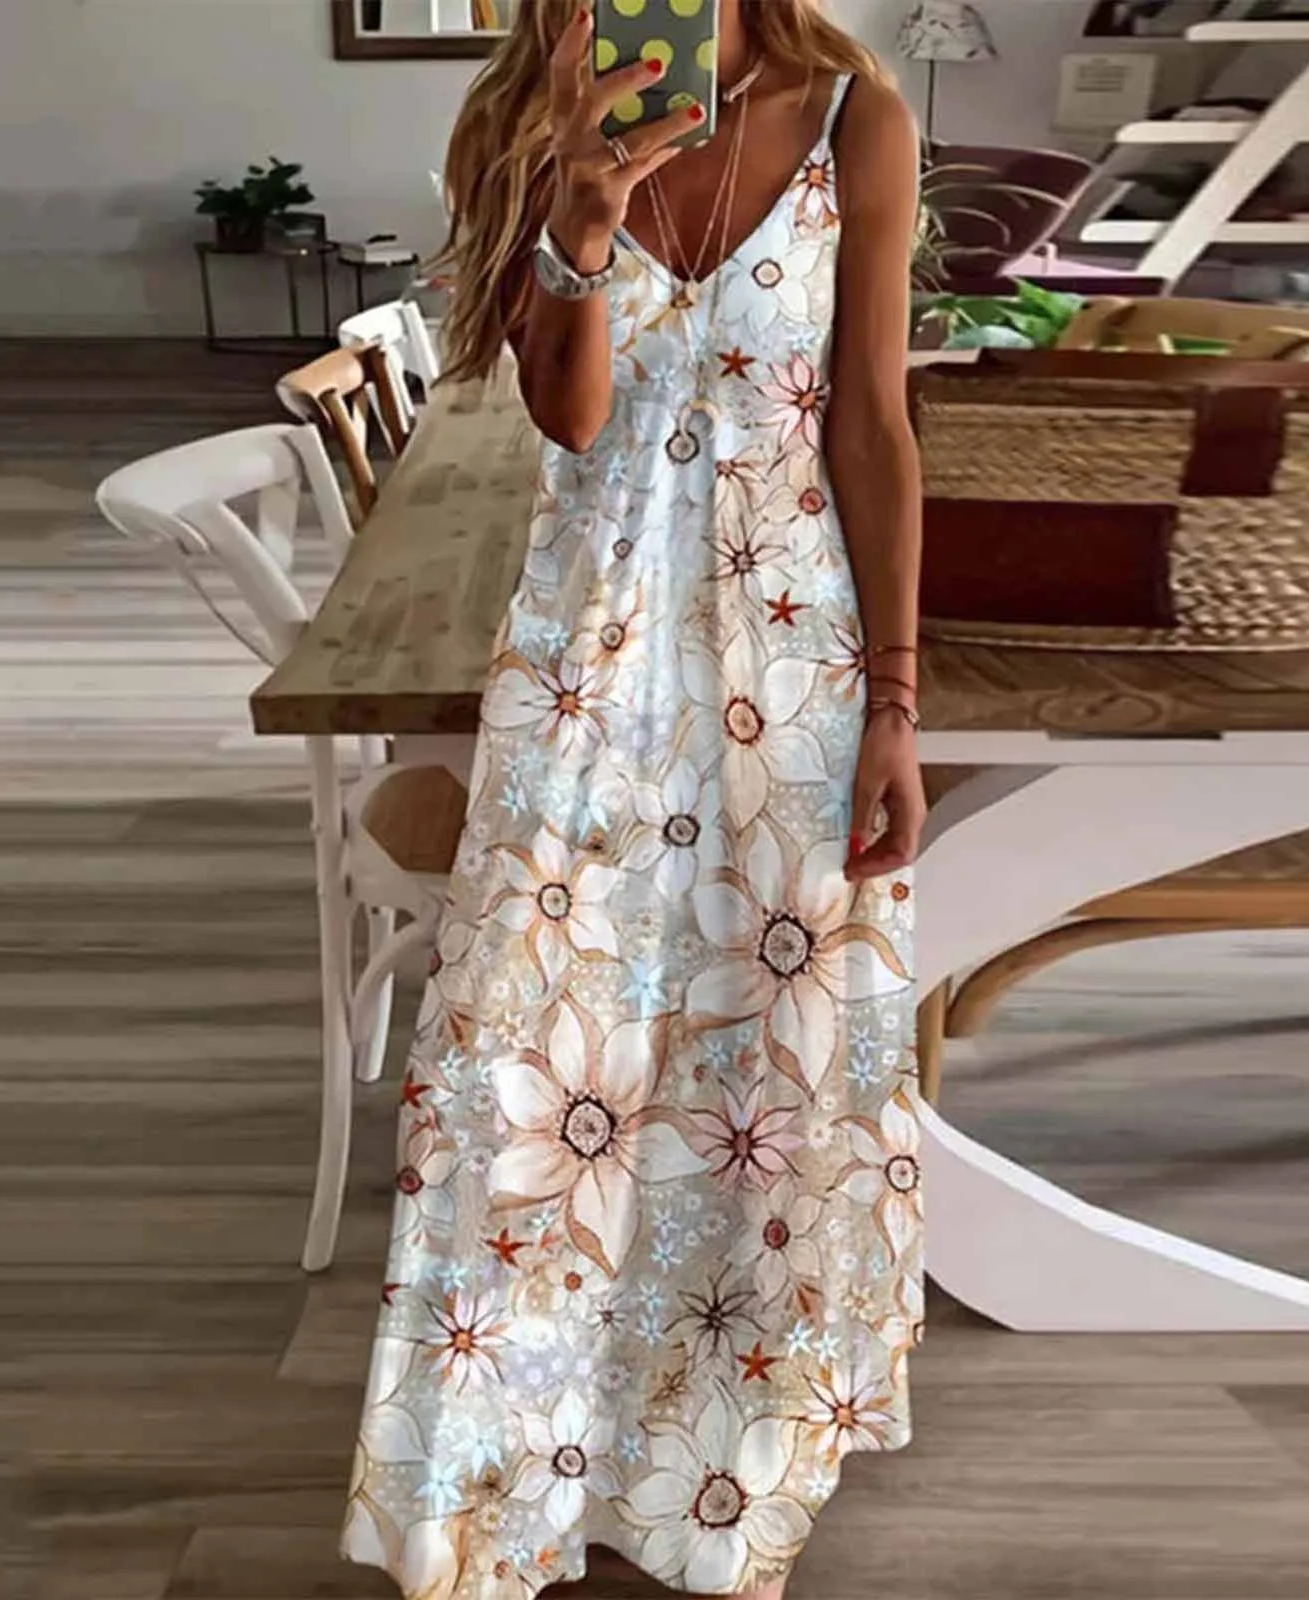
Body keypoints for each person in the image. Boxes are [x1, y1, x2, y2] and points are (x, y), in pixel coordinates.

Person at [344, 3, 927, 1596]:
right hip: (589, 649)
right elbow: (573, 418)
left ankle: (725, 1461)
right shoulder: (539, 115)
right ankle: (502, 1471)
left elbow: (871, 423)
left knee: (768, 1052)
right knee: (535, 1048)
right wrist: (581, 221)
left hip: (790, 647)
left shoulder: (855, 118)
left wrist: (894, 701)